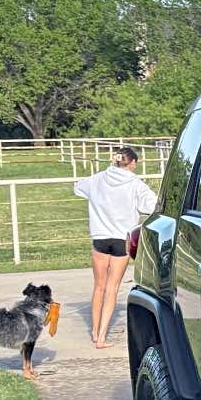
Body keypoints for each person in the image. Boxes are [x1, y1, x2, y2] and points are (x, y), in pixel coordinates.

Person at [74, 145, 158, 349]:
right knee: (112, 289)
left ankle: (94, 331)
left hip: (100, 238)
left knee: (99, 287)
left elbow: (78, 187)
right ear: (133, 163)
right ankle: (102, 337)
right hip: (122, 239)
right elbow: (151, 205)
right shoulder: (135, 183)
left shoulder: (98, 178)